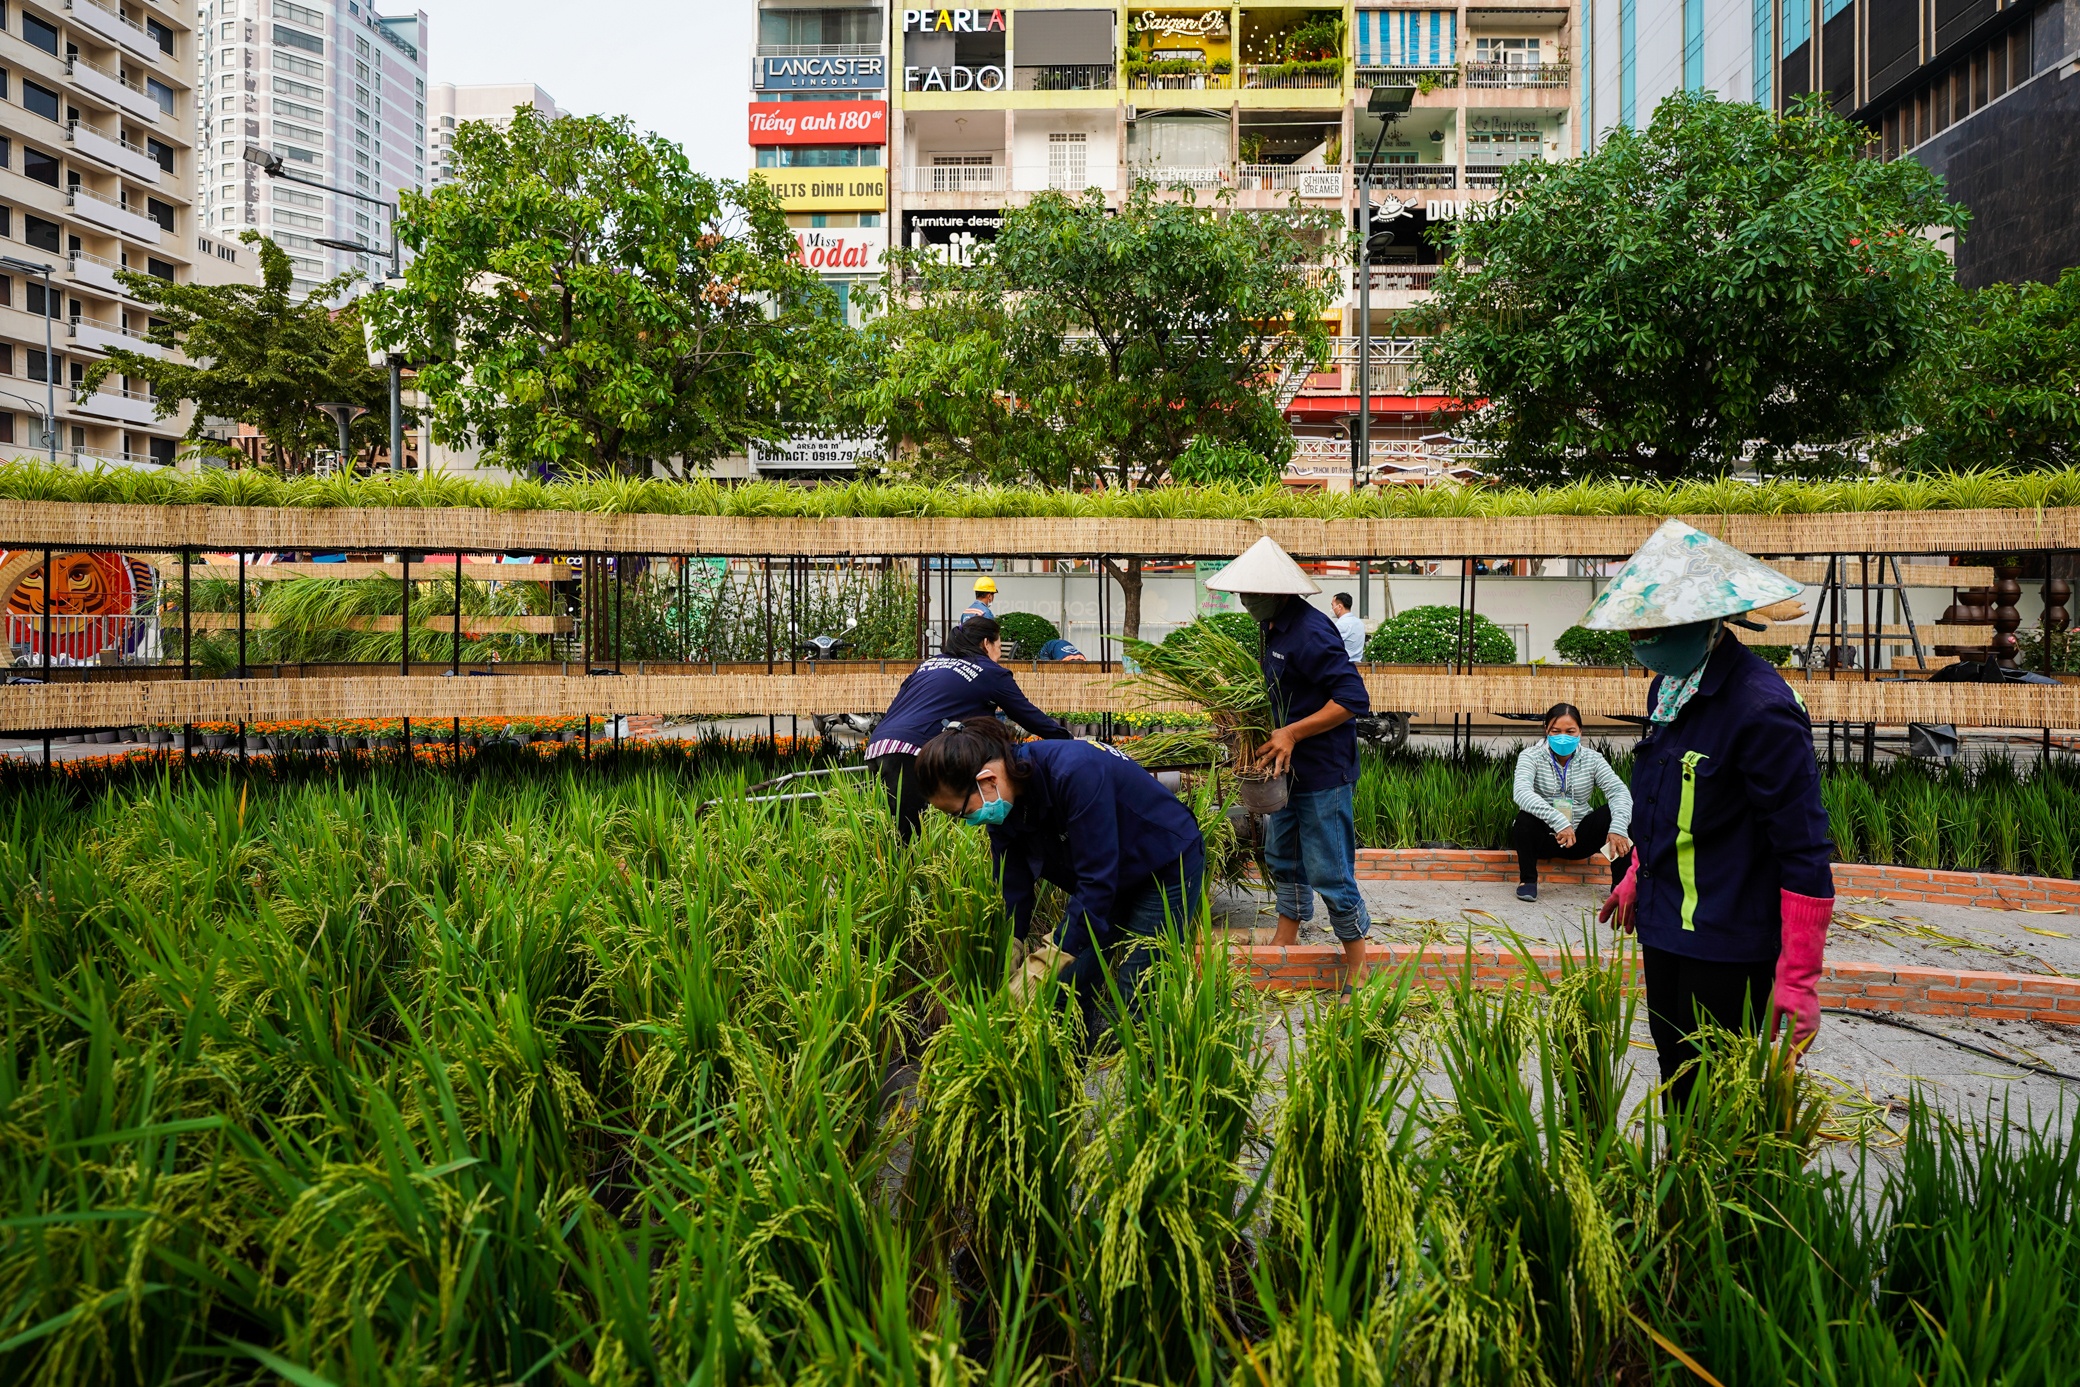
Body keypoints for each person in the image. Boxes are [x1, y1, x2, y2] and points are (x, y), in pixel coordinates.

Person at [1590, 519, 1833, 1110]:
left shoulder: (1762, 710)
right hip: (1666, 922)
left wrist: (1799, 976)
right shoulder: (1669, 687)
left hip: (1727, 938)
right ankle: (1682, 1192)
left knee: (1714, 1094)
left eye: (1652, 628)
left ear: (1701, 621)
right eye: (1635, 628)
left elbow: (1803, 848)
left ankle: (1721, 1198)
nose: (1641, 642)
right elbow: (1670, 797)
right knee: (1676, 1071)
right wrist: (1636, 873)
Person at [916, 717, 1205, 1043]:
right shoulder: (1005, 800)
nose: (967, 821)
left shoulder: (1073, 772)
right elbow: (1013, 879)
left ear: (987, 779)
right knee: (1067, 987)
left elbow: (1096, 883)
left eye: (963, 812)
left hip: (1164, 863)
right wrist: (1013, 940)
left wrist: (1047, 959)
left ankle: (1150, 1077)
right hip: (1112, 875)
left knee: (1138, 989)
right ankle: (1069, 1075)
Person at [1205, 537, 1374, 989]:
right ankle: (1289, 930)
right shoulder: (1273, 626)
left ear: (1278, 591)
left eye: (1250, 592)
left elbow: (1354, 699)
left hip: (1322, 769)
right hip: (1286, 767)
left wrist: (1294, 732)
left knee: (1329, 865)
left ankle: (1357, 958)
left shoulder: (1312, 632)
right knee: (1283, 852)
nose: (1243, 600)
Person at [866, 615, 1070, 841]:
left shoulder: (929, 664)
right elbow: (1029, 716)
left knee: (895, 833)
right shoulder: (989, 672)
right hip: (913, 751)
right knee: (911, 841)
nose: (999, 656)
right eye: (999, 647)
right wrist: (1068, 741)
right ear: (986, 643)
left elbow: (899, 705)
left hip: (879, 746)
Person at [1511, 702, 1633, 902]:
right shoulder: (1530, 756)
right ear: (1546, 730)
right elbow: (1521, 793)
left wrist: (1618, 827)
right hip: (1547, 836)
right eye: (1556, 731)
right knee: (1525, 819)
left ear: (1580, 732)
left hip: (1581, 837)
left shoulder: (1593, 759)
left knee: (1621, 815)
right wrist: (1560, 822)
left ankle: (1620, 886)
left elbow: (1618, 791)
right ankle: (1528, 881)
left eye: (1570, 731)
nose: (1563, 736)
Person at [1330, 592, 1366, 662]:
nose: (1332, 609)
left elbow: (1330, 645)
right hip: (1357, 664)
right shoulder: (1359, 623)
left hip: (1343, 665)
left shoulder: (1341, 625)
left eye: (1332, 605)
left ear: (1339, 607)